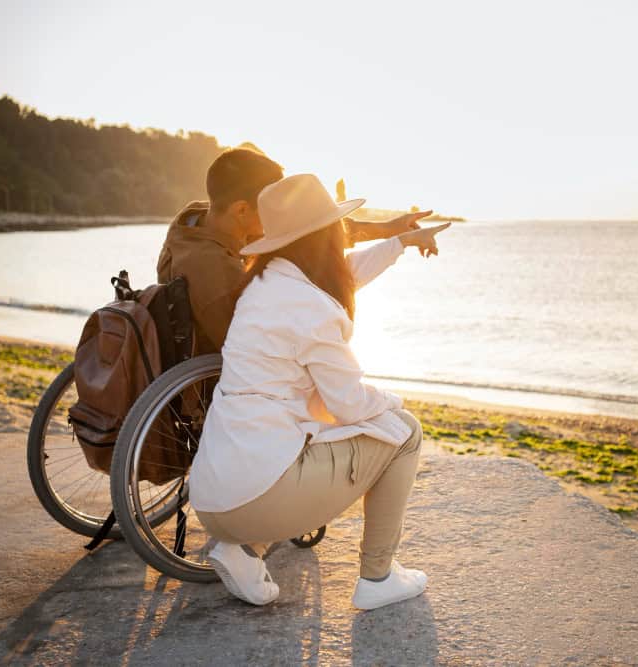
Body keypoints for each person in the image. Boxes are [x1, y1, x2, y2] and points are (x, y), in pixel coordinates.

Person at [190, 173, 451, 609]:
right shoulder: (310, 305)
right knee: (405, 432)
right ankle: (378, 577)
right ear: (325, 234)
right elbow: (349, 404)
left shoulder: (265, 284)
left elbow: (342, 275)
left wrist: (399, 243)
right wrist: (392, 403)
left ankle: (240, 549)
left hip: (215, 500)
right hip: (257, 497)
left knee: (293, 442)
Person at [157, 147, 431, 354]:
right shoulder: (213, 272)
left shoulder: (208, 220)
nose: (282, 215)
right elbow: (250, 351)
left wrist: (388, 229)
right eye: (273, 208)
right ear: (241, 209)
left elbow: (310, 232)